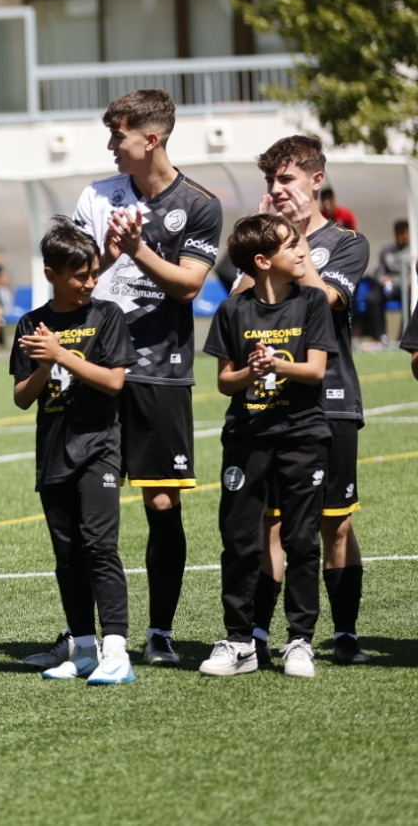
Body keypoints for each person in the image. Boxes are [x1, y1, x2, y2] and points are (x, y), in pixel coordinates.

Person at [69, 88, 222, 667]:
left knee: (161, 503)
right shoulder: (97, 196)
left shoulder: (199, 204)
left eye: (119, 135)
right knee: (87, 505)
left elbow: (189, 286)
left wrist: (136, 249)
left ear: (150, 139)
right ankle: (87, 636)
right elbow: (74, 276)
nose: (111, 146)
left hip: (161, 372)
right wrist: (110, 255)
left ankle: (159, 632)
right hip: (94, 366)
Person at [240, 137, 371, 666]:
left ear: (316, 180)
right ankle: (257, 634)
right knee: (271, 522)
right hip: (272, 403)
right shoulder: (265, 243)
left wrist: (292, 240)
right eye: (270, 181)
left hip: (331, 398)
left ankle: (344, 634)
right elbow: (237, 308)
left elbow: (325, 299)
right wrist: (265, 242)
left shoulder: (346, 242)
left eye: (286, 179)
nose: (276, 190)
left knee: (334, 522)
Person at [199, 214, 333, 679]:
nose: (301, 251)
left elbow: (315, 370)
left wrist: (277, 364)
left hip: (303, 436)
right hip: (246, 438)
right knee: (239, 540)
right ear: (262, 261)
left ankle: (299, 641)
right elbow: (225, 382)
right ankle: (240, 641)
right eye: (290, 245)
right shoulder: (232, 310)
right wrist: (250, 372)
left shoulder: (312, 302)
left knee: (301, 539)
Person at [10, 220, 137, 685]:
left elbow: (115, 381)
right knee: (67, 556)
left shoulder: (107, 316)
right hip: (53, 453)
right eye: (80, 276)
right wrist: (44, 366)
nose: (90, 283)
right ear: (52, 274)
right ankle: (84, 650)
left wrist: (62, 355)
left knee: (100, 547)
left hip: (99, 448)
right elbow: (22, 396)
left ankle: (117, 652)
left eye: (94, 273)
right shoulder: (30, 324)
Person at [370, 220, 410, 345]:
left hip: (407, 287)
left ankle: (403, 336)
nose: (401, 237)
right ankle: (380, 336)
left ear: (409, 233)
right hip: (389, 287)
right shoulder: (387, 250)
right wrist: (382, 279)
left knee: (411, 299)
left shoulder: (413, 250)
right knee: (371, 299)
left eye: (403, 234)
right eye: (398, 234)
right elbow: (377, 271)